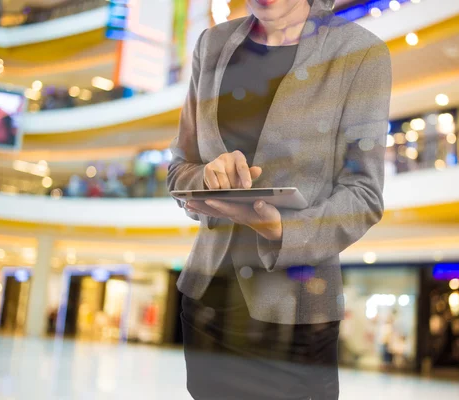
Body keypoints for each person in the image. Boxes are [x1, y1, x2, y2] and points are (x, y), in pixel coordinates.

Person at [167, 0, 391, 397]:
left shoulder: (359, 52)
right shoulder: (212, 44)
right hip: (208, 302)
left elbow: (364, 194)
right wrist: (206, 175)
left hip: (296, 317)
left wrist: (281, 230)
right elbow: (180, 167)